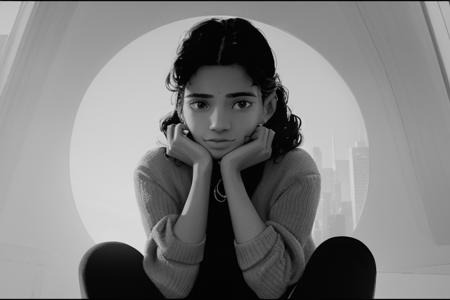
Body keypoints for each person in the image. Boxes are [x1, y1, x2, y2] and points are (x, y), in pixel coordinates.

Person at [79, 17, 377, 299]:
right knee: (105, 261)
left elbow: (272, 286)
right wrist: (202, 170)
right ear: (181, 107)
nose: (218, 123)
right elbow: (171, 285)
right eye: (200, 104)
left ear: (268, 107)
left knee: (348, 258)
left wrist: (231, 173)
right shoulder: (155, 169)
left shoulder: (294, 169)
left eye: (241, 103)